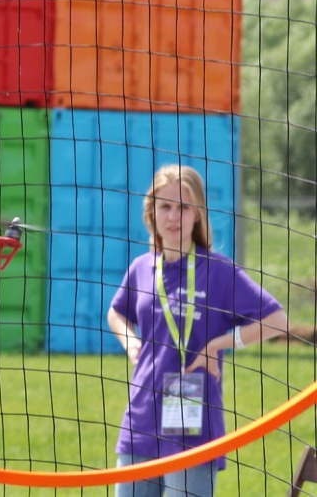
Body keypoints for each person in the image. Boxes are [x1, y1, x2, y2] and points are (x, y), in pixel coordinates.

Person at [107, 164, 288, 497]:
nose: (174, 216)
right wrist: (132, 344)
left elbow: (277, 320)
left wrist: (218, 344)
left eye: (183, 207)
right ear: (151, 212)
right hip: (141, 421)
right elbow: (116, 313)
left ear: (197, 215)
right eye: (165, 206)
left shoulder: (218, 270)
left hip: (193, 428)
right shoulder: (142, 268)